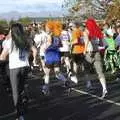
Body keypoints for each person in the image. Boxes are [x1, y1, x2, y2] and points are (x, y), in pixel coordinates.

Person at [0, 23, 37, 120]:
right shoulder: (27, 39)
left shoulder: (9, 41)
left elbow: (3, 56)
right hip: (25, 66)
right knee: (23, 87)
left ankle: (19, 114)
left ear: (12, 31)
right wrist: (33, 60)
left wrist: (4, 59)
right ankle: (25, 101)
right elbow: (34, 50)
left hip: (14, 68)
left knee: (15, 91)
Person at [83, 18, 107, 98]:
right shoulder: (98, 31)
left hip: (89, 53)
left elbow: (86, 42)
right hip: (97, 52)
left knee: (86, 69)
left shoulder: (86, 31)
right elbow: (102, 43)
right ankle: (104, 88)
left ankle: (89, 84)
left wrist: (84, 51)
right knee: (100, 72)